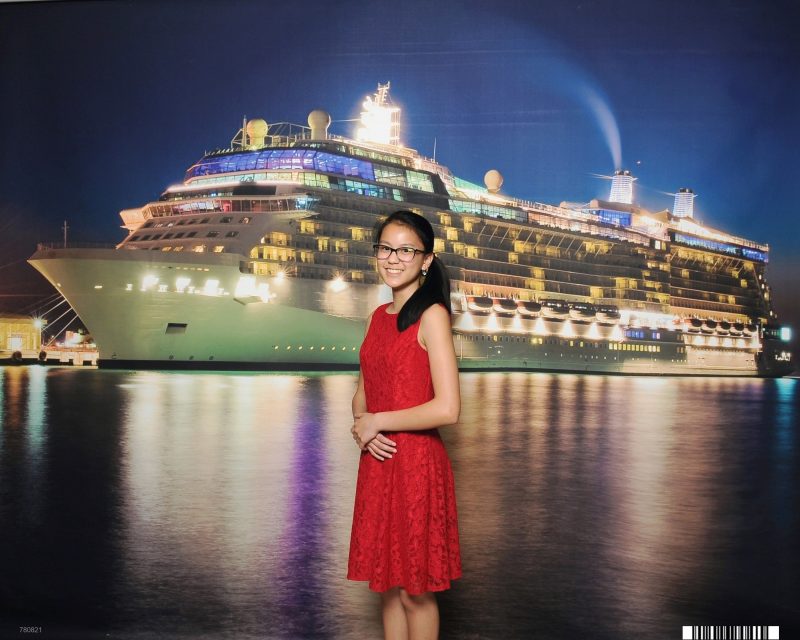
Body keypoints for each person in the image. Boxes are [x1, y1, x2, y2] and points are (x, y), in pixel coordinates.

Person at [348, 210, 462, 640]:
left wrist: (377, 421)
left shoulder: (432, 315)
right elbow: (364, 391)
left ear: (426, 260)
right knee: (387, 587)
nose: (393, 258)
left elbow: (448, 408)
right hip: (378, 463)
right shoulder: (376, 317)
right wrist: (361, 422)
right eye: (385, 248)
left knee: (415, 591)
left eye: (406, 250)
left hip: (415, 466)